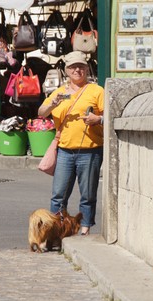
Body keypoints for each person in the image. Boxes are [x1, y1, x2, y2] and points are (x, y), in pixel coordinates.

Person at [38, 51, 104, 236]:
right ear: (66, 70)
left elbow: (109, 116)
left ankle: (85, 229)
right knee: (58, 195)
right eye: (73, 67)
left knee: (88, 195)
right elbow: (41, 112)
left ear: (87, 68)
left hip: (90, 151)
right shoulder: (59, 92)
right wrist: (53, 104)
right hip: (65, 151)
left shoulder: (96, 91)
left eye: (81, 66)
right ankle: (57, 230)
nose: (77, 70)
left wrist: (97, 119)